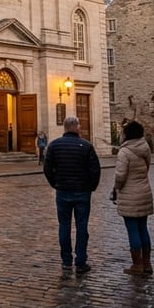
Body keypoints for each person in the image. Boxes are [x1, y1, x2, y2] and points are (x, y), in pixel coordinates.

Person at [43, 116, 101, 274]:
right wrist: (91, 187)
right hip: (82, 192)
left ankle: (66, 261)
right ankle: (81, 261)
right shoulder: (86, 146)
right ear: (75, 127)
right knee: (82, 227)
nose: (81, 127)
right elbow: (95, 169)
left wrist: (55, 183)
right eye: (79, 125)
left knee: (64, 226)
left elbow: (47, 168)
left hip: (63, 191)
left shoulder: (54, 145)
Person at [113, 121, 154, 276]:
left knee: (132, 230)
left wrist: (117, 187)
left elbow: (120, 175)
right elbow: (147, 167)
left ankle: (137, 265)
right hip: (144, 191)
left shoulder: (124, 152)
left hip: (130, 194)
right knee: (143, 228)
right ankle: (147, 263)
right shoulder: (145, 148)